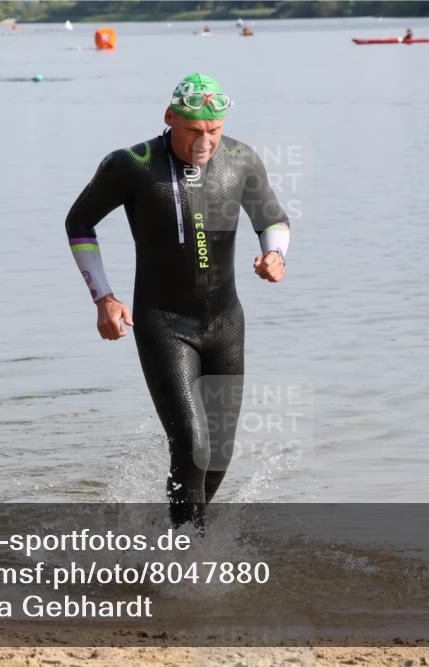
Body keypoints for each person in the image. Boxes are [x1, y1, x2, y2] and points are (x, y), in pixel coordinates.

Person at [65, 73, 291, 532]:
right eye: (193, 130)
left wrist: (275, 253)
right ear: (170, 118)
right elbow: (79, 223)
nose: (205, 141)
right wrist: (103, 296)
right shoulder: (132, 164)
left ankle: (182, 535)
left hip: (226, 324)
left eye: (214, 130)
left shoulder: (240, 159)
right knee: (192, 442)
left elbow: (274, 218)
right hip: (164, 322)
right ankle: (187, 553)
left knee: (220, 451)